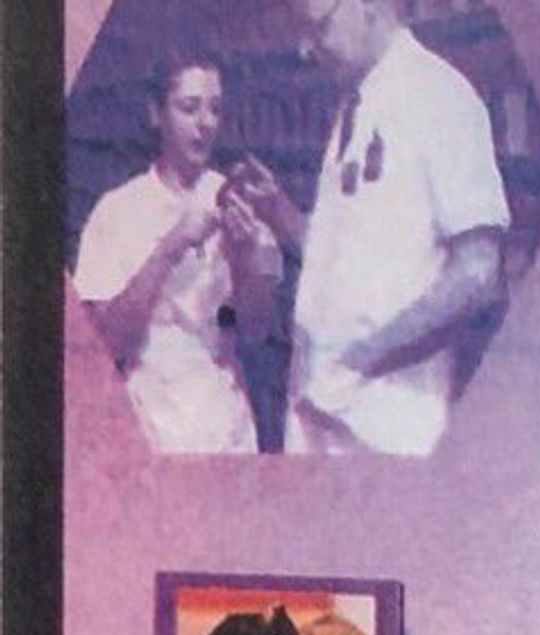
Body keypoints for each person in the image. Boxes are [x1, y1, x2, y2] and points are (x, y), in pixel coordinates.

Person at [232, 0, 509, 455]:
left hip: (385, 429)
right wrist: (279, 213)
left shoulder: (440, 97)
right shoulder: (355, 104)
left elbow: (478, 275)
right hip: (319, 415)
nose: (305, 49)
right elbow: (349, 259)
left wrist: (363, 360)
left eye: (317, 28)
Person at [72, 47, 279, 454]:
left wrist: (247, 262)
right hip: (151, 426)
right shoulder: (118, 211)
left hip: (226, 428)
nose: (205, 123)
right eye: (189, 108)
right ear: (156, 114)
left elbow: (253, 330)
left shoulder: (234, 199)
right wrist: (171, 246)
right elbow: (106, 346)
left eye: (215, 109)